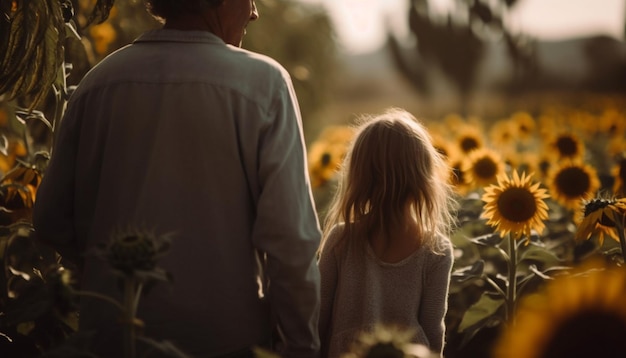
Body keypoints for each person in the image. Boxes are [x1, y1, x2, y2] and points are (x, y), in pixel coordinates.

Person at [32, 0, 322, 357]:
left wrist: (111, 277)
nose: (254, 12)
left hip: (112, 339)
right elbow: (291, 241)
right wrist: (301, 347)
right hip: (226, 344)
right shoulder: (264, 84)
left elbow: (50, 222)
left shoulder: (99, 83)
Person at [317, 108, 457, 357]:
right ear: (424, 180)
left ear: (359, 179)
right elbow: (434, 333)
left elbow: (317, 319)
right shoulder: (436, 250)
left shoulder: (340, 240)